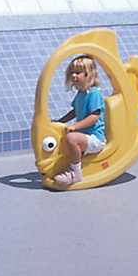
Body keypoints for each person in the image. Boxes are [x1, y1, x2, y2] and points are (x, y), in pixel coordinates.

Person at [52, 55, 106, 186]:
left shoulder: (93, 93)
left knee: (71, 138)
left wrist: (75, 126)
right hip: (85, 137)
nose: (73, 76)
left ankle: (76, 172)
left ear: (88, 75)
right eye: (71, 72)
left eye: (78, 73)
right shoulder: (82, 93)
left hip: (95, 139)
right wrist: (60, 122)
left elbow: (95, 116)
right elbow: (75, 111)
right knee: (64, 135)